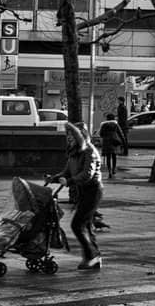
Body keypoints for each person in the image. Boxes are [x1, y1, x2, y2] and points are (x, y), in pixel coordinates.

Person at [50, 122, 103, 270]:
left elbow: (87, 174)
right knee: (86, 225)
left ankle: (92, 256)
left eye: (72, 136)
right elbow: (66, 172)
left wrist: (69, 181)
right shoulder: (75, 152)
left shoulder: (89, 152)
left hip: (93, 191)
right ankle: (94, 256)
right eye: (68, 137)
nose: (69, 139)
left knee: (77, 225)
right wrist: (54, 178)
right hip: (83, 191)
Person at [97, 112, 126, 179]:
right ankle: (113, 169)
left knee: (108, 157)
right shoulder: (116, 125)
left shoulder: (104, 125)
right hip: (114, 141)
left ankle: (109, 171)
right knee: (114, 156)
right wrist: (123, 142)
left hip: (106, 142)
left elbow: (101, 134)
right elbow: (120, 133)